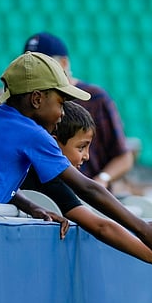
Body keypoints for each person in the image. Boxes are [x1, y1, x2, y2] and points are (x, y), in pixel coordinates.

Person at [0, 51, 152, 268]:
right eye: (61, 103)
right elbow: (88, 188)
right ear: (36, 99)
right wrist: (142, 228)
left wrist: (30, 205)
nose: (63, 113)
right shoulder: (33, 134)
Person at [20, 101, 152, 279]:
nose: (87, 156)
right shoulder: (48, 179)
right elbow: (102, 226)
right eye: (81, 147)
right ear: (53, 144)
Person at [22, 32, 134, 189]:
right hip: (43, 197)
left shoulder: (95, 98)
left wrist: (101, 180)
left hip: (89, 196)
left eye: (44, 64)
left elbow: (123, 156)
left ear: (64, 63)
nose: (37, 71)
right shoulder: (28, 101)